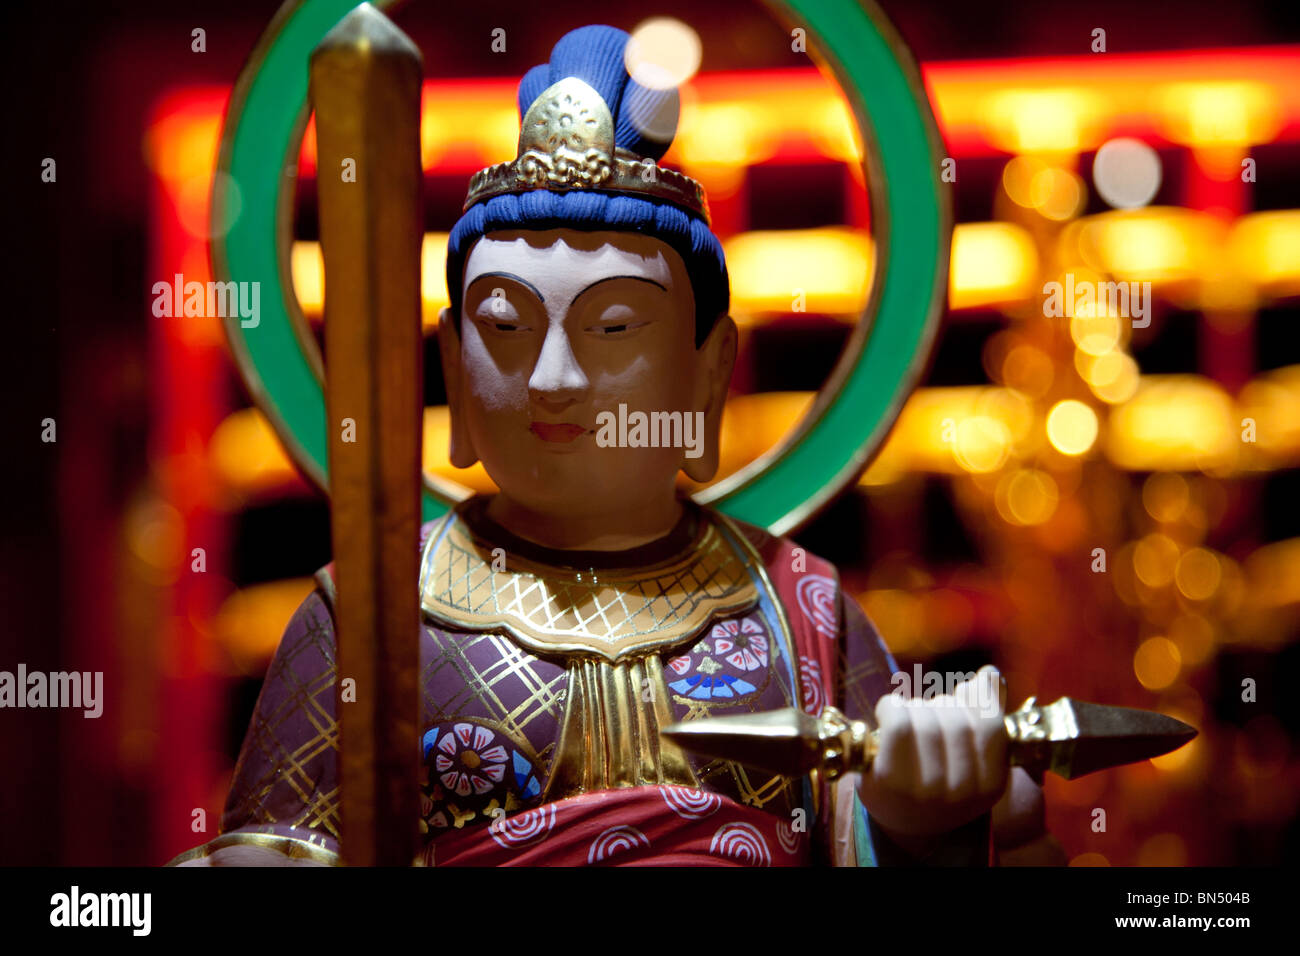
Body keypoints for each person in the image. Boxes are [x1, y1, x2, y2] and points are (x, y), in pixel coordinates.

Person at [172, 24, 1060, 867]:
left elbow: (901, 835)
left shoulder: (803, 617)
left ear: (709, 375)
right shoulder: (367, 622)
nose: (554, 377)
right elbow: (274, 845)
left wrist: (928, 818)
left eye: (615, 325)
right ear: (449, 365)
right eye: (507, 325)